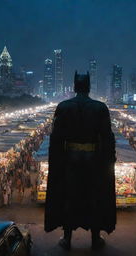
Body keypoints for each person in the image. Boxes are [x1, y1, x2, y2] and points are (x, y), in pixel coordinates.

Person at [45, 71, 116, 250]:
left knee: (69, 196)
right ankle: (95, 239)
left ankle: (67, 239)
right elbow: (107, 138)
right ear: (89, 87)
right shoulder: (100, 108)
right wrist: (108, 162)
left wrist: (56, 161)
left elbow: (56, 138)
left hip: (69, 160)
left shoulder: (63, 107)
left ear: (75, 87)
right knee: (95, 196)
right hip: (94, 162)